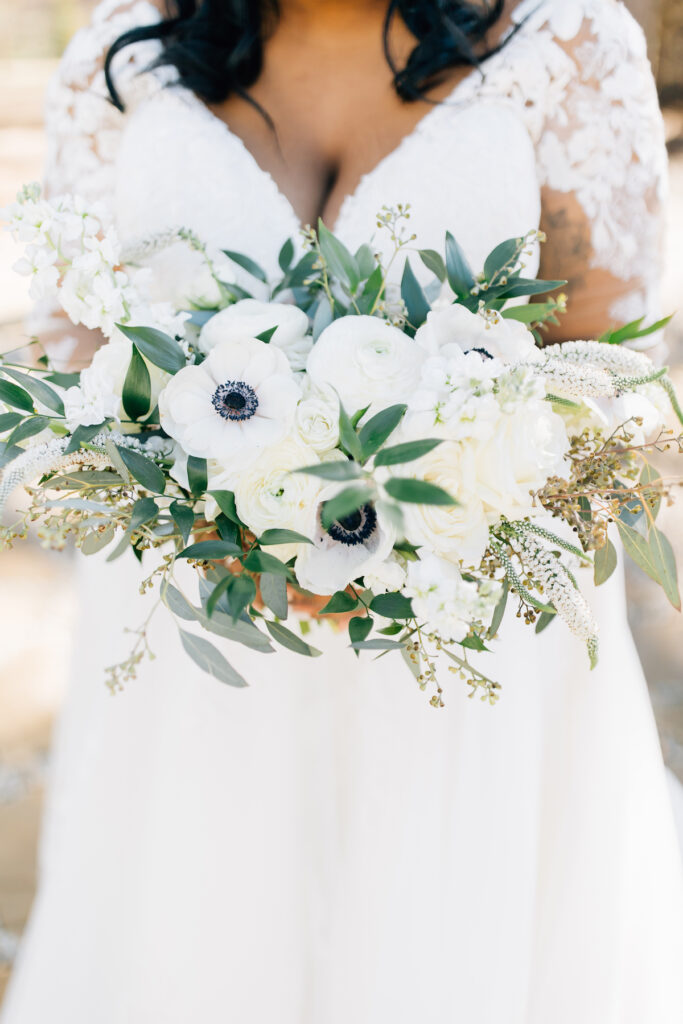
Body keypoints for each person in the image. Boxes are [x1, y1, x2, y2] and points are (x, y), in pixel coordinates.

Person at [3, 1, 683, 1021]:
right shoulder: (121, 54)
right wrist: (212, 522)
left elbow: (608, 380)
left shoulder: (561, 42)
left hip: (469, 648)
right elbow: (76, 343)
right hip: (198, 652)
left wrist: (406, 537)